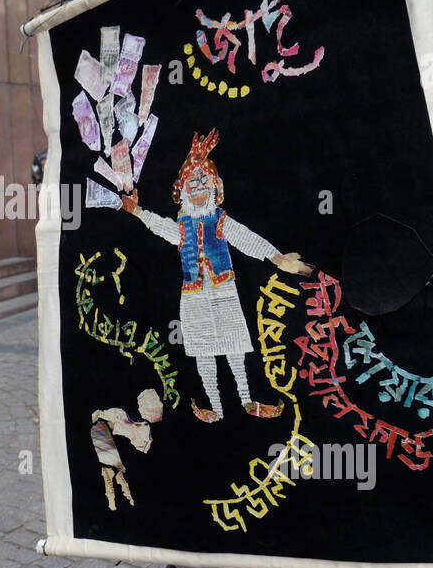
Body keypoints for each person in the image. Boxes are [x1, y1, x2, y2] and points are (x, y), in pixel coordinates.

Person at [119, 129, 313, 423]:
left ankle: (246, 398)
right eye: (191, 182)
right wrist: (139, 212)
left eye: (203, 181)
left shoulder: (219, 220)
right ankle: (217, 409)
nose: (197, 187)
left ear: (213, 187)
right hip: (194, 294)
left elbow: (246, 238)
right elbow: (162, 228)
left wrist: (276, 256)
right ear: (182, 190)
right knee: (203, 349)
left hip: (223, 289)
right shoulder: (182, 226)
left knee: (233, 343)